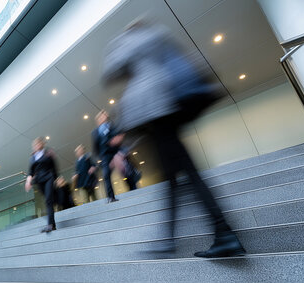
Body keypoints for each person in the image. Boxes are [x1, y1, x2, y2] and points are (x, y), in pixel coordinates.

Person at [103, 19, 245, 258]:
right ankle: (172, 238)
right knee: (172, 178)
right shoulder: (157, 35)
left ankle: (223, 233)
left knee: (185, 174)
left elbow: (109, 71)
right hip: (167, 105)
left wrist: (118, 42)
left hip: (155, 111)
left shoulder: (130, 40)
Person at [25, 137, 58, 233]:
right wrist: (28, 182)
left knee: (48, 200)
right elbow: (30, 171)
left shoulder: (48, 153)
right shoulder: (33, 157)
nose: (36, 145)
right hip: (39, 181)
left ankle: (50, 225)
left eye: (38, 143)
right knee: (48, 200)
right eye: (35, 144)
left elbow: (54, 167)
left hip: (49, 178)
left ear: (42, 144)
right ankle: (52, 224)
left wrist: (56, 179)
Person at [91, 110, 124, 202]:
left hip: (115, 153)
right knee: (106, 175)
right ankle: (111, 197)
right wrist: (99, 159)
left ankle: (133, 187)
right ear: (98, 119)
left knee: (125, 170)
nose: (104, 116)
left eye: (105, 115)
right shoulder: (94, 132)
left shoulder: (112, 126)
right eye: (102, 115)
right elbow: (95, 147)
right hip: (104, 156)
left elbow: (118, 136)